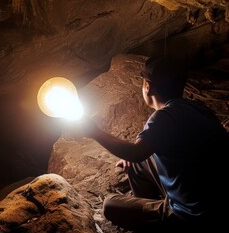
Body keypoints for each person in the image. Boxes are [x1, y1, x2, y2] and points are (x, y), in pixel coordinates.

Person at [71, 56, 228, 232]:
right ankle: (151, 212)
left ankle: (157, 221)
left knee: (110, 205)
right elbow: (141, 153)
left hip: (193, 215)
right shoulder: (197, 107)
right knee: (137, 163)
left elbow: (136, 152)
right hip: (216, 199)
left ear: (147, 86)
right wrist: (135, 156)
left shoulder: (162, 118)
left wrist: (95, 132)